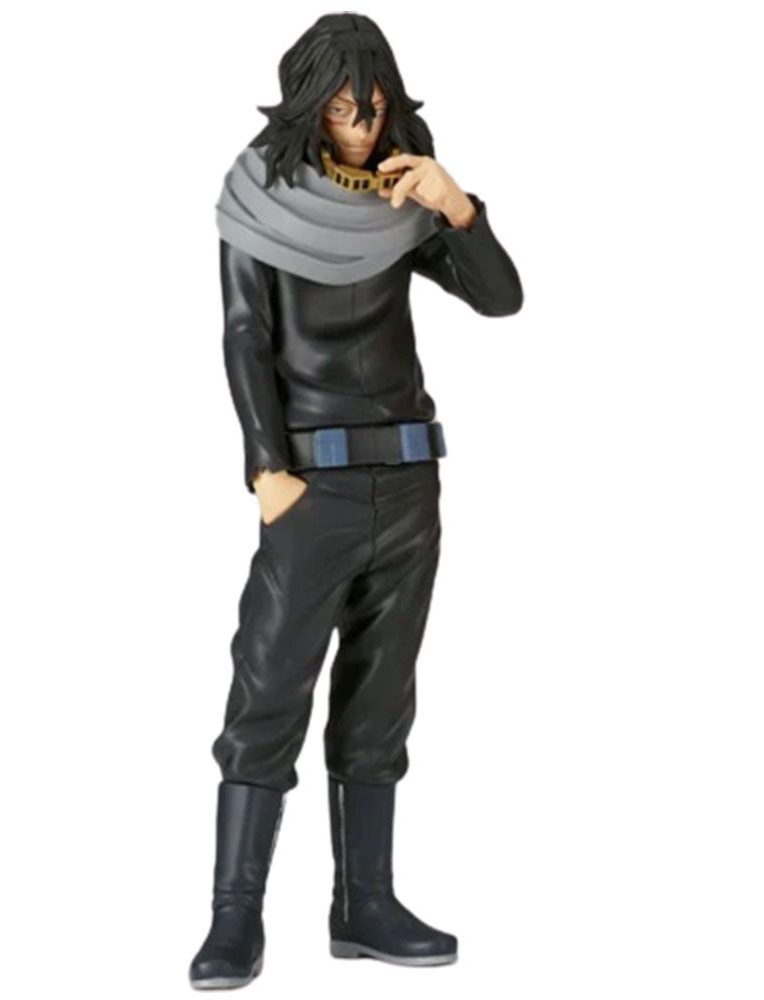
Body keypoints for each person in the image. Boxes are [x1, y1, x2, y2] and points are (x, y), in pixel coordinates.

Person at [189, 13, 523, 990]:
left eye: (372, 108)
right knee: (268, 690)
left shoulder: (401, 202)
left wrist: (458, 208)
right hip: (312, 485)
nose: (360, 126)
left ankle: (363, 903)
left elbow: (500, 298)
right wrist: (266, 470)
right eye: (341, 107)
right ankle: (234, 917)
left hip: (409, 480)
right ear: (310, 104)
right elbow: (244, 337)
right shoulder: (261, 199)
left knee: (381, 703)